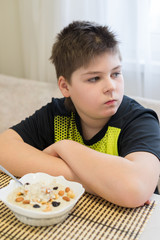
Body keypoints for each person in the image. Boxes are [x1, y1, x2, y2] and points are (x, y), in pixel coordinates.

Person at [0, 21, 160, 208]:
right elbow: (4, 148)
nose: (111, 87)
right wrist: (105, 183)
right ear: (65, 86)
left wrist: (65, 147)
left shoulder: (140, 120)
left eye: (116, 74)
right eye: (94, 78)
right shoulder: (56, 114)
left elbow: (134, 189)